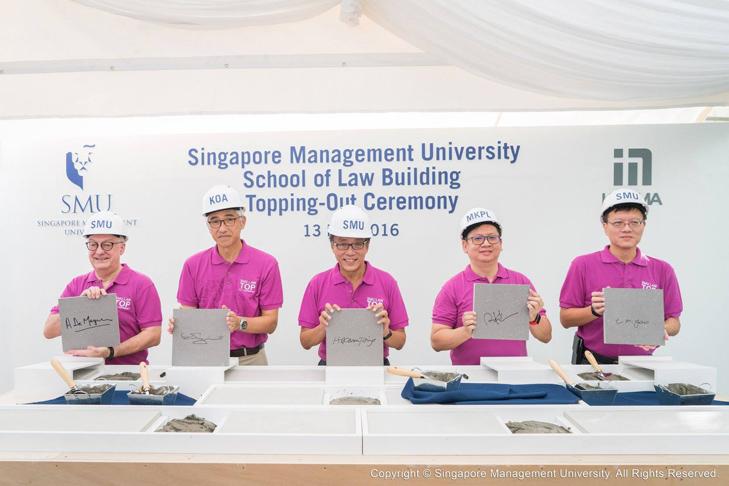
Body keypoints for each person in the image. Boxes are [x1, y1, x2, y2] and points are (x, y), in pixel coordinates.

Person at [559, 188, 682, 364]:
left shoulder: (662, 269)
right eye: (618, 223)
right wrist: (593, 311)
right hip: (592, 362)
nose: (627, 229)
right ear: (605, 226)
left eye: (634, 222)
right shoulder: (582, 265)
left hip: (643, 364)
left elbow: (674, 322)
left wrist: (659, 329)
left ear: (644, 225)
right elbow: (565, 319)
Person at [172, 184, 283, 365]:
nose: (222, 228)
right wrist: (180, 326)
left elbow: (271, 323)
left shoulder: (266, 264)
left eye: (229, 219)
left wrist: (240, 323)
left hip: (251, 358)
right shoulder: (193, 265)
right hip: (205, 357)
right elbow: (189, 316)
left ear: (242, 221)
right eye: (215, 221)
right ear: (208, 226)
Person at [431, 208, 552, 365]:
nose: (486, 243)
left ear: (501, 243)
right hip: (470, 378)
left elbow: (545, 336)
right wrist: (466, 331)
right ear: (464, 245)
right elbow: (436, 342)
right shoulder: (452, 287)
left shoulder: (520, 282)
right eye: (477, 238)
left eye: (492, 237)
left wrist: (534, 317)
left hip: (514, 375)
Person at [43, 211, 162, 364]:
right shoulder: (76, 284)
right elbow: (49, 331)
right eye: (93, 244)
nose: (99, 251)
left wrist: (111, 351)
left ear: (122, 248)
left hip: (128, 375)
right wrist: (80, 305)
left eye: (107, 244)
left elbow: (153, 334)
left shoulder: (142, 284)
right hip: (82, 375)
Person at [298, 205, 408, 365]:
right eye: (342, 244)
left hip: (376, 366)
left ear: (367, 246)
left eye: (357, 244)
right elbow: (305, 342)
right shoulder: (317, 283)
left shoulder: (387, 282)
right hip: (330, 367)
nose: (350, 252)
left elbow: (400, 342)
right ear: (332, 246)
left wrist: (385, 332)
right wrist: (323, 327)